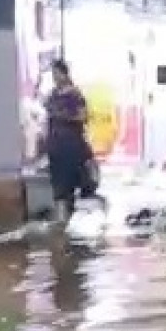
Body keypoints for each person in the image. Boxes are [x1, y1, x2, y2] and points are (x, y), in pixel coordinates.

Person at [39, 59, 97, 223]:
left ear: (64, 74)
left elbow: (83, 116)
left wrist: (63, 116)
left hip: (70, 146)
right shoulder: (52, 95)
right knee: (58, 185)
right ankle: (61, 222)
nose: (55, 77)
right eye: (53, 74)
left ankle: (66, 221)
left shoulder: (74, 94)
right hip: (56, 147)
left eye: (57, 73)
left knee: (68, 184)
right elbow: (49, 118)